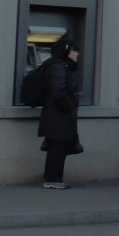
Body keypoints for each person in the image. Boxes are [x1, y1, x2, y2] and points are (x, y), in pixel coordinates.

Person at [38, 38, 81, 190]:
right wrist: (69, 106)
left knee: (56, 147)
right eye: (75, 51)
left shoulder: (59, 66)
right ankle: (53, 179)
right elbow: (59, 93)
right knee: (58, 147)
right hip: (58, 116)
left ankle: (52, 178)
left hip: (56, 116)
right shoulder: (59, 68)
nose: (77, 54)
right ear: (67, 51)